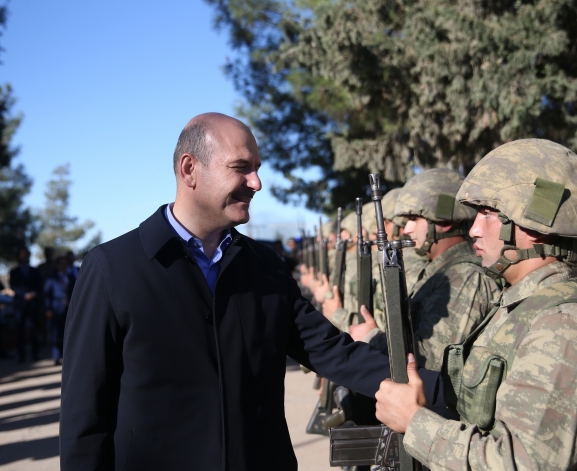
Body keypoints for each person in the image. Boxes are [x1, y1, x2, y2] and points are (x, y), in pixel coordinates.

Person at [60, 113, 391, 471]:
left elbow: (330, 351)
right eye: (241, 167)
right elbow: (84, 414)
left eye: (257, 168)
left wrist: (428, 387)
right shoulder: (112, 268)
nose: (257, 183)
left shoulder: (266, 268)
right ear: (189, 169)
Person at [375, 139, 577, 470]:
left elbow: (522, 463)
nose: (474, 229)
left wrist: (415, 423)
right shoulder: (524, 309)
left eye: (489, 213)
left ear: (536, 224)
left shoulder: (565, 327)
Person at [351, 169, 500, 370]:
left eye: (415, 218)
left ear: (445, 221)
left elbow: (430, 364)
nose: (407, 229)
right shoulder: (439, 272)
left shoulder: (466, 278)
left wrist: (371, 337)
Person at [9, 247, 43, 363]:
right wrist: (24, 295)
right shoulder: (14, 272)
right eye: (22, 254)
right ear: (19, 256)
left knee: (34, 329)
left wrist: (33, 294)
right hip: (20, 305)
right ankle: (21, 355)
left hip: (33, 305)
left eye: (26, 254)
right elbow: (13, 286)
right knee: (20, 330)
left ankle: (35, 354)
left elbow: (40, 285)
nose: (25, 256)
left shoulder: (35, 271)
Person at [43, 255, 75, 365]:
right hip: (56, 310)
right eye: (62, 264)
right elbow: (47, 295)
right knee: (56, 333)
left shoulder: (71, 277)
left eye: (65, 264)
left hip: (70, 309)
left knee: (70, 332)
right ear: (57, 265)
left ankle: (69, 356)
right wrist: (48, 309)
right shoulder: (51, 278)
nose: (64, 266)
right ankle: (56, 356)